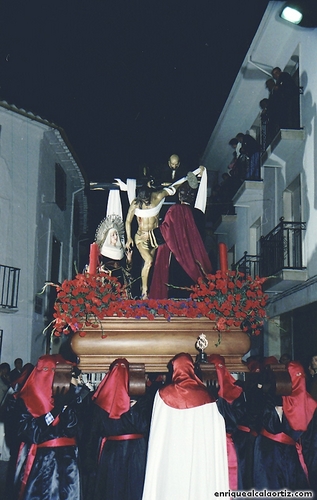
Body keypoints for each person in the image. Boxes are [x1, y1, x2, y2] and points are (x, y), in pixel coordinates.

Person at [142, 353, 229, 499]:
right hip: (199, 455)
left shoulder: (163, 394)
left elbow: (157, 432)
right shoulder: (207, 396)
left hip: (172, 455)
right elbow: (216, 432)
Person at [12, 354, 89, 500]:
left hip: (68, 460)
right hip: (42, 461)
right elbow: (29, 432)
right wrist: (53, 412)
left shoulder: (71, 396)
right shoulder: (25, 400)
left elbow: (75, 429)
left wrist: (68, 405)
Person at [125, 168, 204, 298]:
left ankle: (148, 288)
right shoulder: (135, 204)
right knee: (149, 261)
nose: (145, 203)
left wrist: (193, 174)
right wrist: (129, 238)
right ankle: (144, 291)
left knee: (153, 266)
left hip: (154, 238)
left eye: (147, 201)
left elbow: (173, 188)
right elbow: (128, 221)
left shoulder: (157, 196)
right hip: (141, 237)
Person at [86, 358, 151, 500]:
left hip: (112, 451)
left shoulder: (99, 401)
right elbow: (145, 427)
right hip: (136, 450)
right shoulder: (141, 399)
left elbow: (93, 432)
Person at [253, 361, 315, 494]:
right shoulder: (310, 403)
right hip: (280, 454)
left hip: (273, 454)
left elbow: (271, 425)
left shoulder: (277, 397)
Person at [148, 181, 212, 299]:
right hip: (195, 260)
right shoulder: (199, 214)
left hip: (178, 258)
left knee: (176, 292)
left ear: (179, 196)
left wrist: (153, 230)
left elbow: (165, 231)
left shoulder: (175, 210)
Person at [95, 214, 133, 294]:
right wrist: (101, 270)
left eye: (116, 234)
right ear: (108, 237)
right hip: (108, 276)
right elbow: (97, 264)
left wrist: (129, 259)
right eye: (113, 235)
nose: (115, 236)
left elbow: (127, 269)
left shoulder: (121, 250)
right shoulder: (103, 250)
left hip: (120, 277)